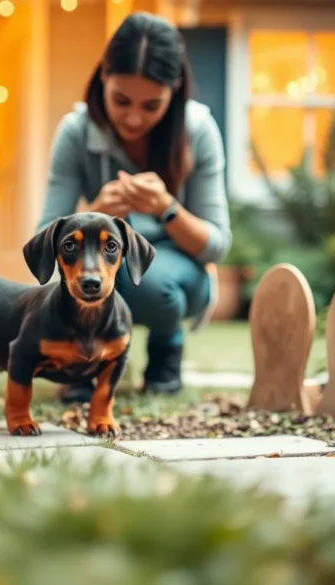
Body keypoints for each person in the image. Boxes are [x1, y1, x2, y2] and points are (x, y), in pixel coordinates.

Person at [35, 11, 232, 403]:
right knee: (92, 270)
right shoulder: (75, 132)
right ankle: (80, 362)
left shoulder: (198, 131)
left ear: (174, 90)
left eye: (151, 105)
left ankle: (166, 350)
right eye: (121, 100)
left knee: (151, 283)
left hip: (178, 270)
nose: (133, 118)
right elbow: (45, 235)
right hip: (105, 259)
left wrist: (166, 208)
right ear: (104, 76)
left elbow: (217, 245)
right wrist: (94, 212)